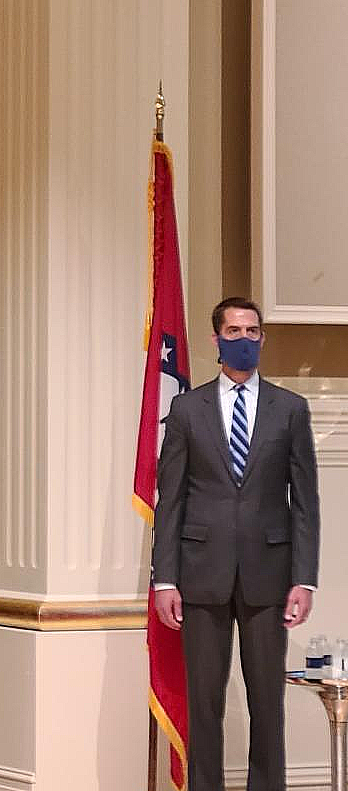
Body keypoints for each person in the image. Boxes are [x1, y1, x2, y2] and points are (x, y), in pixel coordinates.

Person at [152, 296, 320, 791]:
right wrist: (165, 579)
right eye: (233, 331)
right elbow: (171, 499)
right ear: (216, 340)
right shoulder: (187, 408)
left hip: (270, 575)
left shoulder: (290, 409)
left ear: (262, 338)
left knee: (267, 702)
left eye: (251, 331)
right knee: (204, 702)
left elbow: (305, 502)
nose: (243, 339)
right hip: (200, 573)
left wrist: (304, 579)